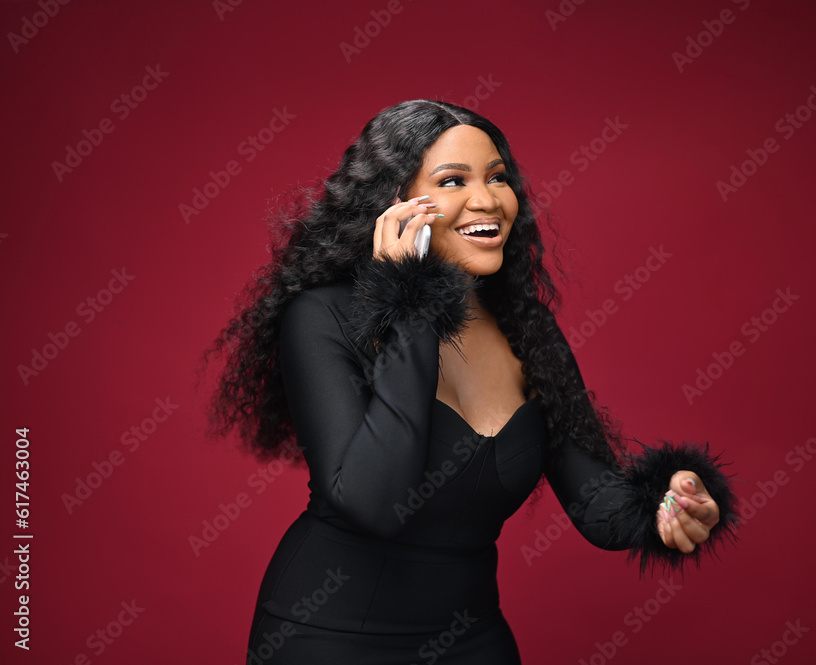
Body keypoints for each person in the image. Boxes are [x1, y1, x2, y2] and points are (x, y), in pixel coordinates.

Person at [205, 99, 738, 664]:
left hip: (470, 637)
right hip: (328, 635)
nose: (487, 200)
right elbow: (375, 503)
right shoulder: (322, 316)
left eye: (498, 177)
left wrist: (671, 505)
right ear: (393, 202)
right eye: (453, 180)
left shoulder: (525, 328)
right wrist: (407, 303)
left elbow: (598, 506)